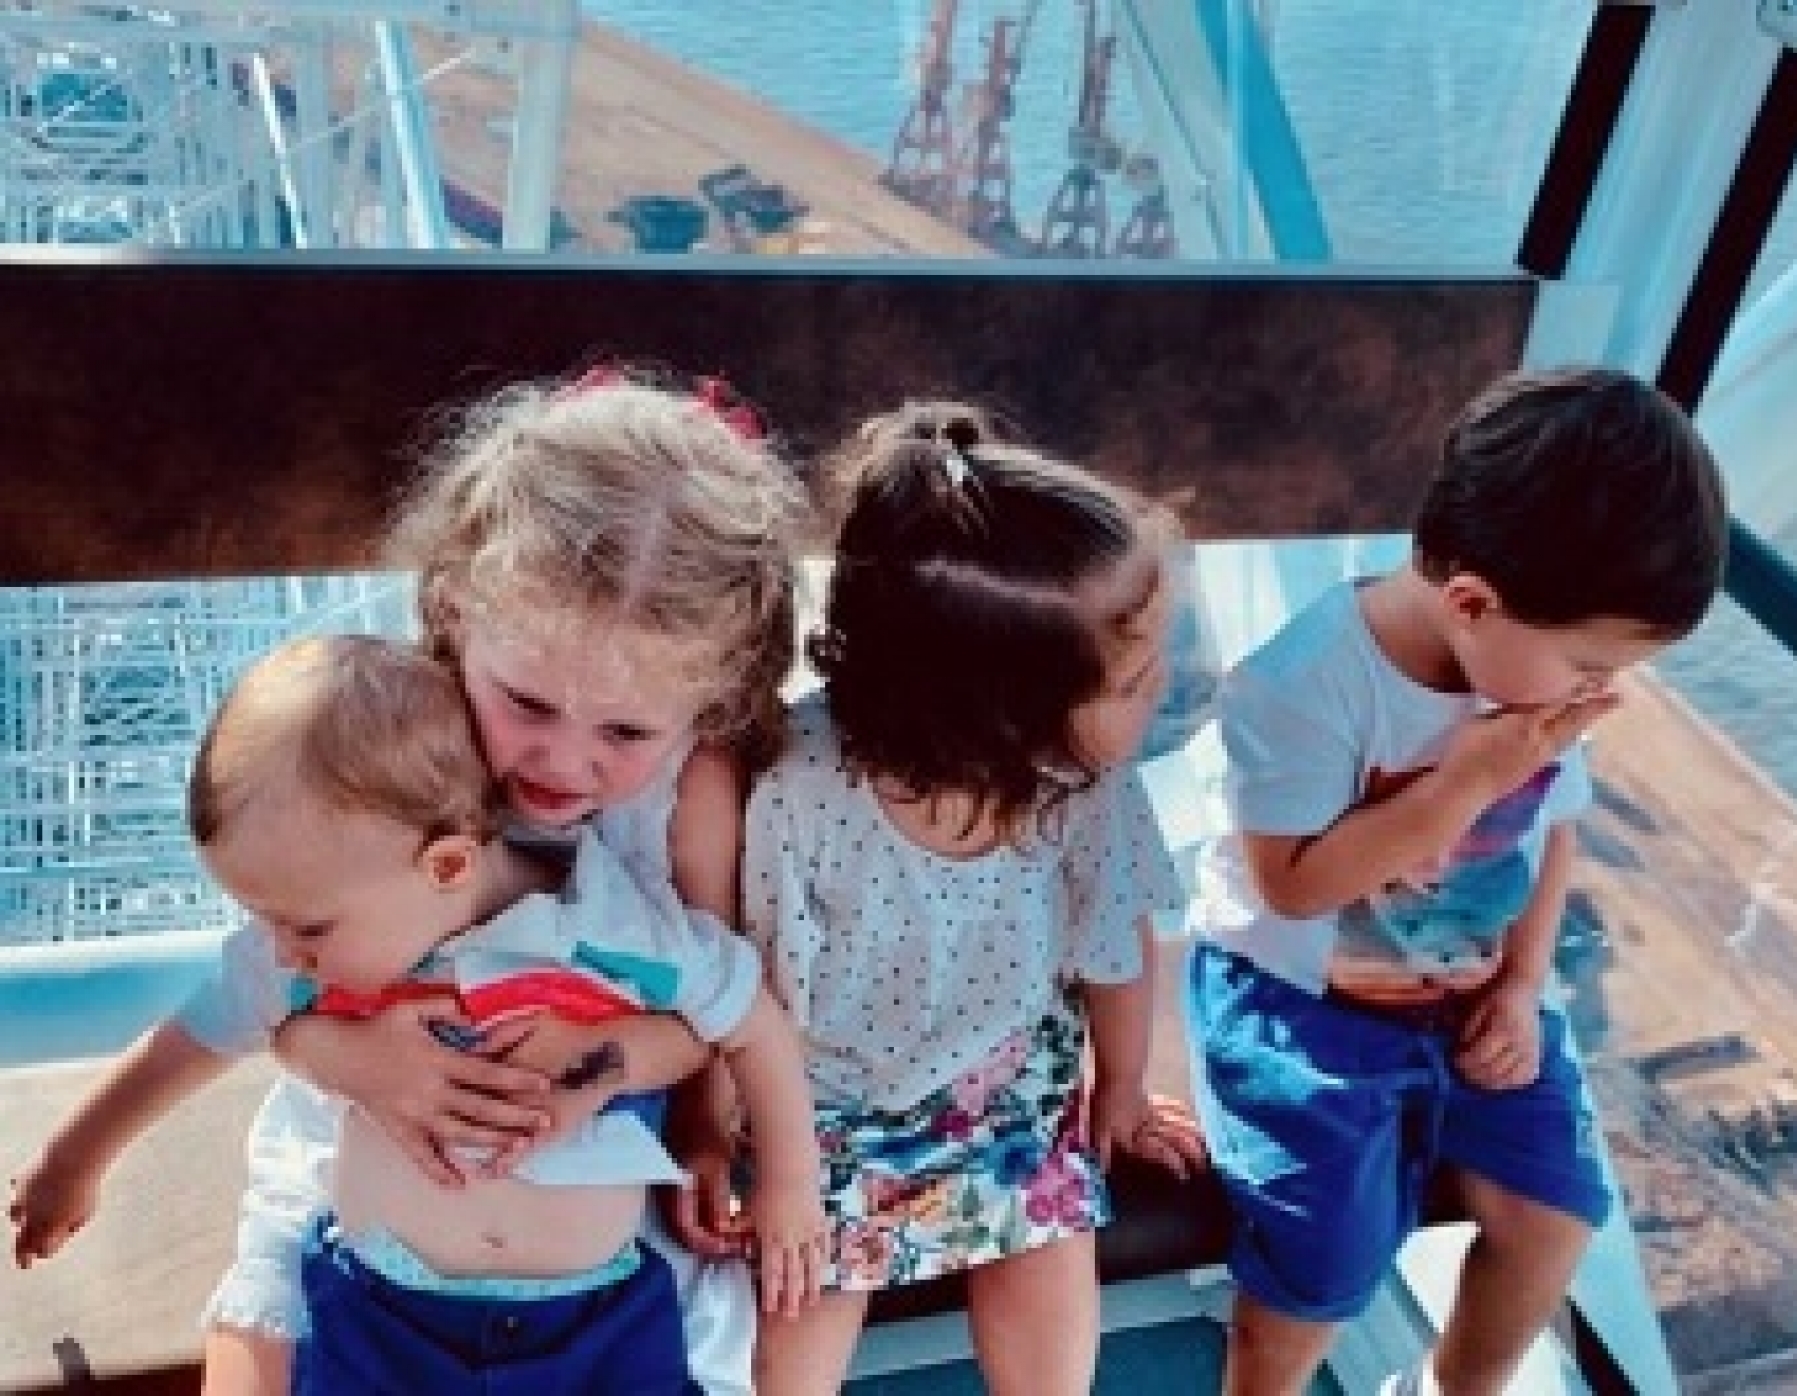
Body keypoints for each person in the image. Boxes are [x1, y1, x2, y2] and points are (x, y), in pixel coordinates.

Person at [20, 368, 816, 1396]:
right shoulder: (397, 746)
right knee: (264, 1339)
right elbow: (268, 986)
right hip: (359, 1123)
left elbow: (709, 1017)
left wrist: (640, 1095)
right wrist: (348, 1056)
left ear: (707, 700)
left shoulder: (687, 798)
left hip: (596, 1149)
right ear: (454, 611)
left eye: (624, 731)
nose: (563, 761)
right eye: (527, 702)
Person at [1184, 366, 1729, 1396]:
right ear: (1472, 602)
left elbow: (1552, 834)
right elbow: (1292, 886)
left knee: (1556, 1213)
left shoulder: (1530, 684)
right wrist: (1468, 780)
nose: (1604, 694)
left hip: (1467, 992)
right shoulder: (1301, 685)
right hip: (1301, 1003)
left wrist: (1521, 984)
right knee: (1319, 1267)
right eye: (1591, 666)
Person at [689, 402, 1209, 1396]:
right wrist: (716, 1132)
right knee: (796, 1320)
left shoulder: (1083, 783)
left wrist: (1123, 1087)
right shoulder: (800, 787)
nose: (1160, 694)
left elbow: (1115, 941)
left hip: (1002, 1084)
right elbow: (748, 987)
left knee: (1050, 1260)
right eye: (1132, 681)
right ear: (1001, 710)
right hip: (827, 1107)